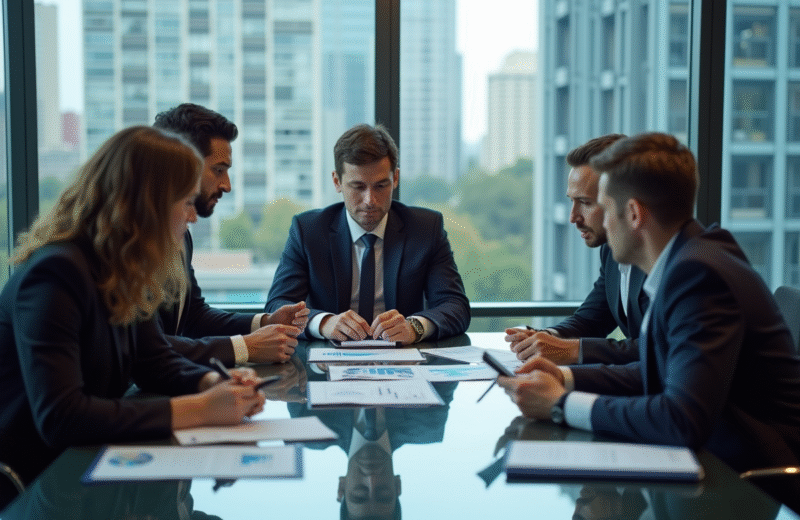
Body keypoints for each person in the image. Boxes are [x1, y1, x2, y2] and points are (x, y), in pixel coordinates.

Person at [499, 132, 800, 510]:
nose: (603, 225)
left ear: (635, 214)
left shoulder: (700, 276)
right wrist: (567, 378)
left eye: (605, 209)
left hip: (747, 481)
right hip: (713, 460)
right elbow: (660, 372)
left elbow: (681, 419)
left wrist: (561, 404)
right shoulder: (687, 262)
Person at [0, 126, 269, 508]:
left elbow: (154, 361)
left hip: (87, 481)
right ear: (148, 205)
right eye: (185, 202)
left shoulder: (122, 269)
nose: (193, 217)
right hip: (31, 489)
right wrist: (200, 408)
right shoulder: (55, 275)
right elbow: (62, 416)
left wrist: (215, 381)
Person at [265, 123, 470, 345]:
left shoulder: (426, 228)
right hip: (327, 361)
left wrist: (415, 327)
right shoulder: (308, 231)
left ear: (396, 178)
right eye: (358, 187)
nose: (369, 200)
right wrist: (324, 323)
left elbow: (455, 306)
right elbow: (277, 306)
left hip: (403, 361)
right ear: (337, 181)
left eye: (381, 186)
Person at [153, 103, 309, 367]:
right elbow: (148, 346)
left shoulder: (181, 235)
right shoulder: (130, 241)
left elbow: (192, 316)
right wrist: (245, 347)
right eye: (218, 169)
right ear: (183, 163)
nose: (227, 185)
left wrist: (265, 322)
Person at [505, 134, 649, 364]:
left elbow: (657, 350)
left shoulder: (672, 264)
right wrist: (548, 337)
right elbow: (593, 318)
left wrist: (571, 351)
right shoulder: (612, 251)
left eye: (585, 202)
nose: (573, 218)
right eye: (571, 201)